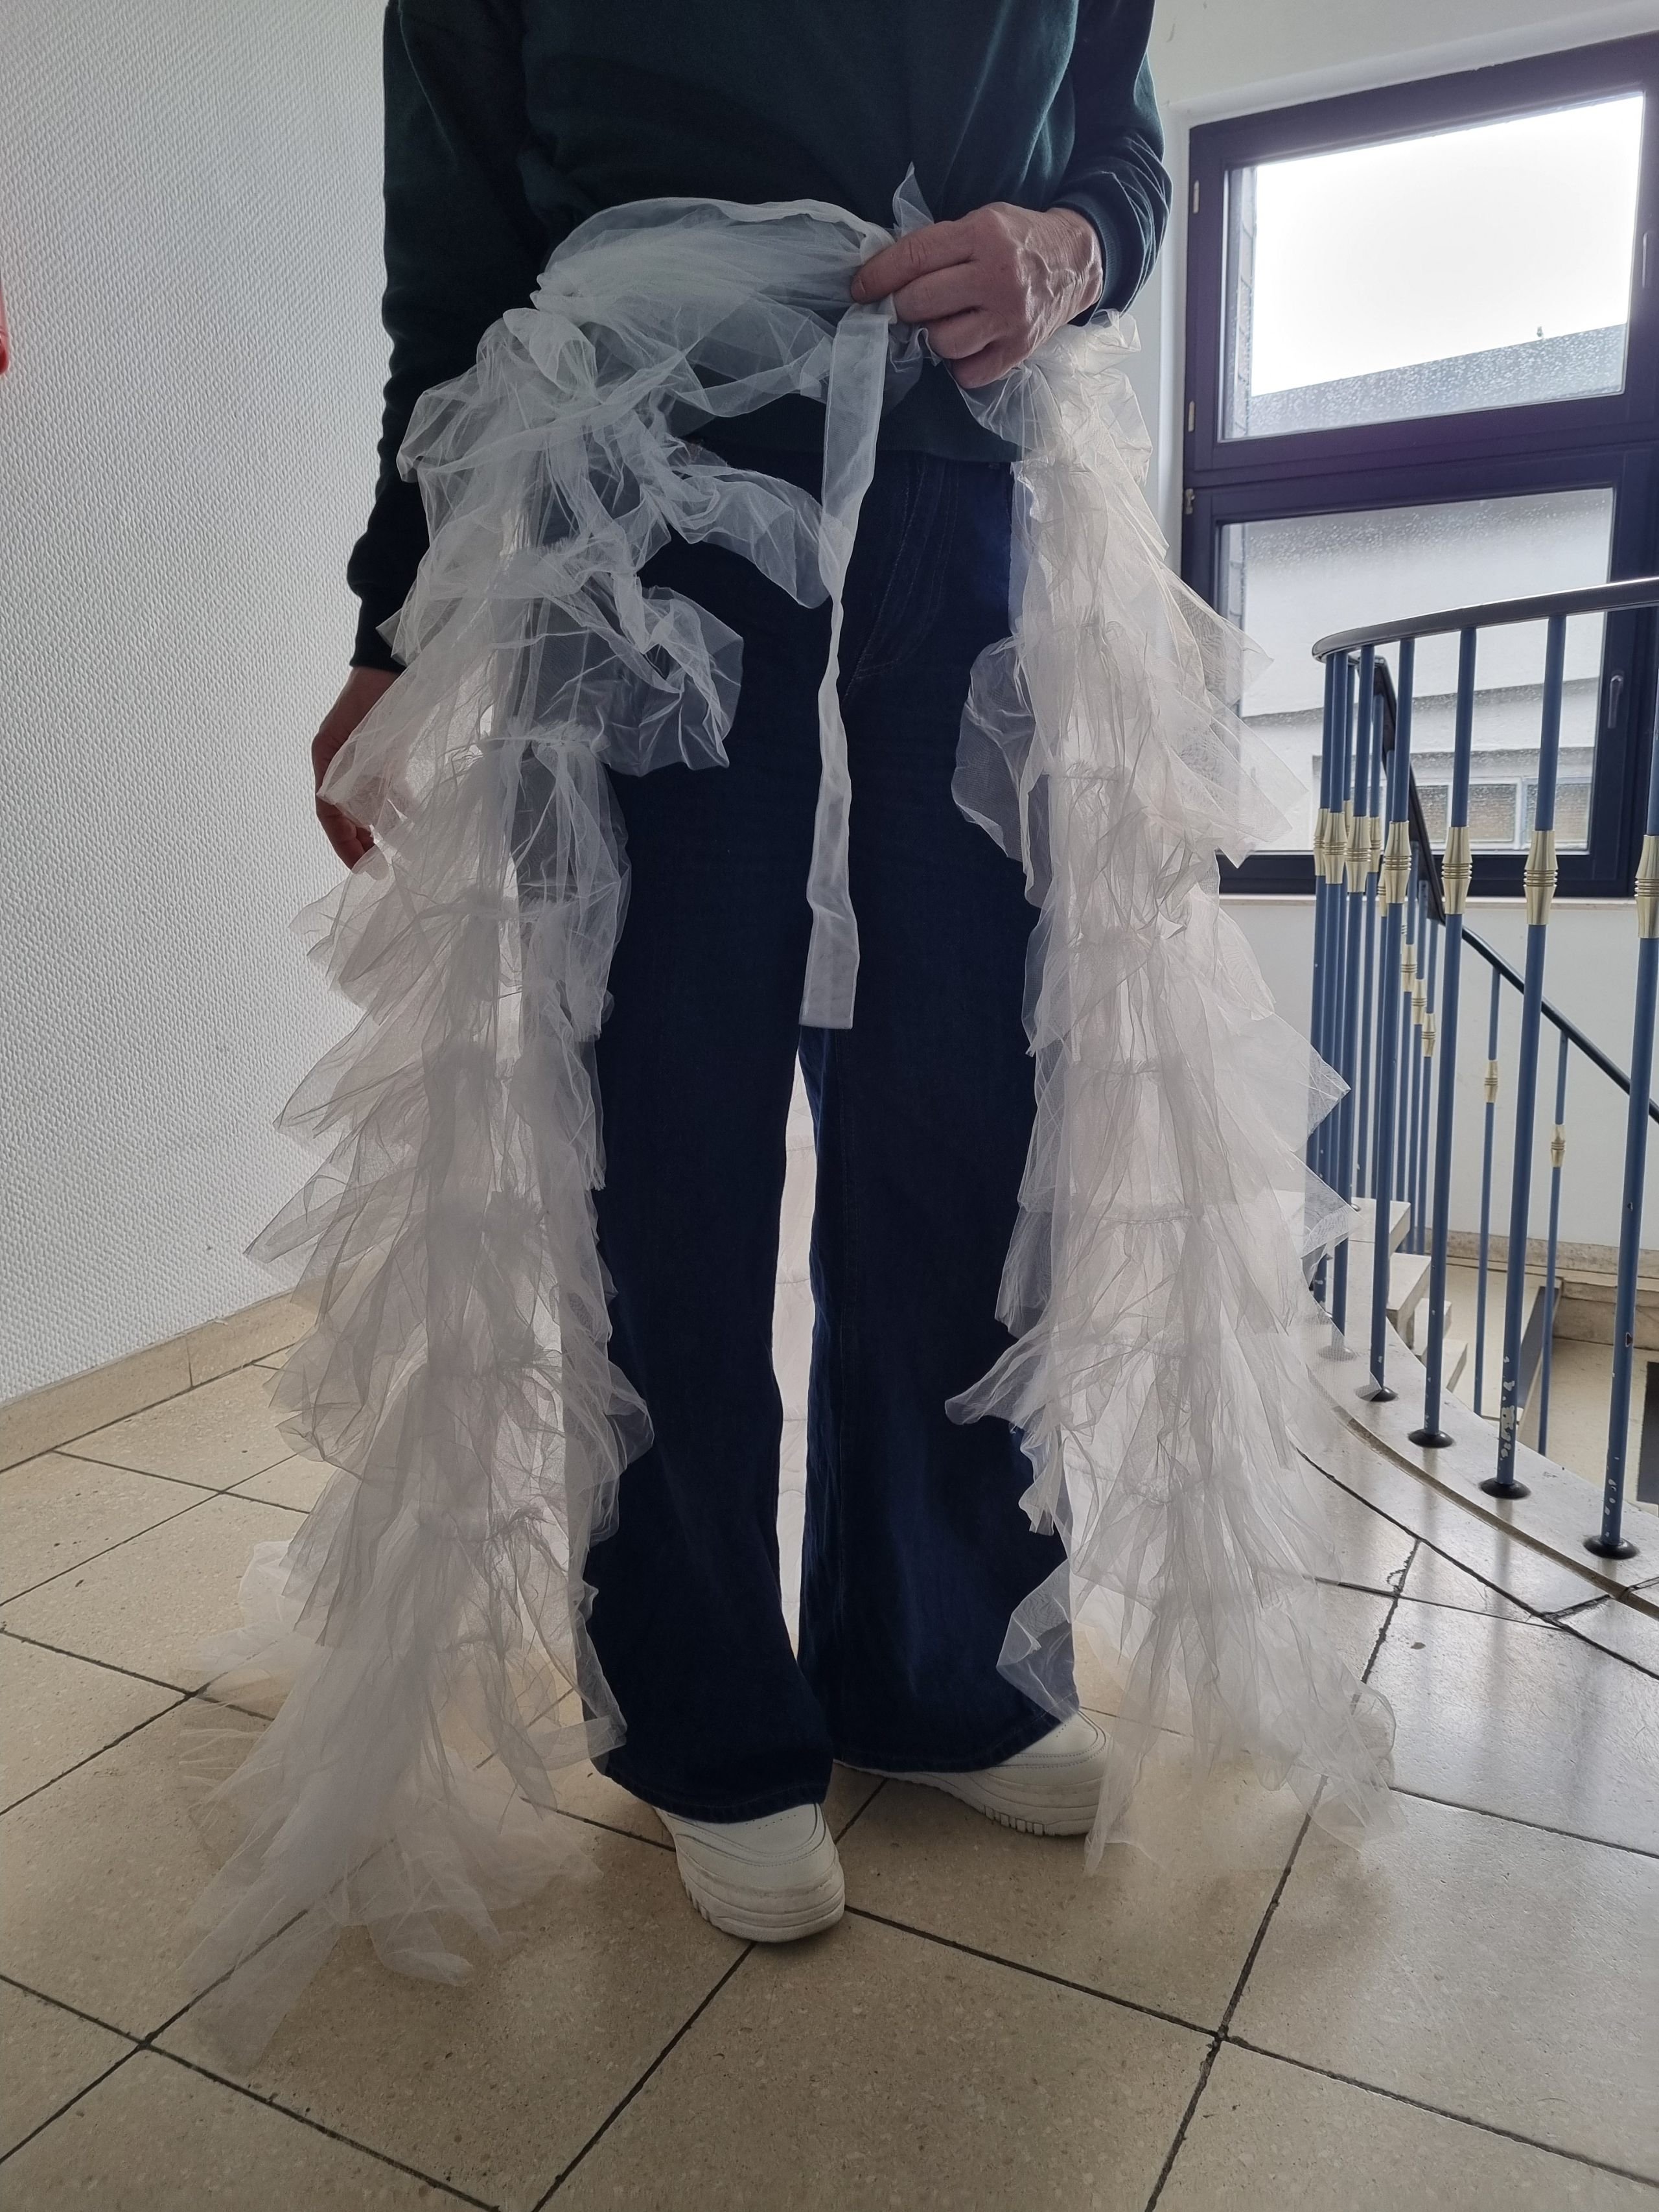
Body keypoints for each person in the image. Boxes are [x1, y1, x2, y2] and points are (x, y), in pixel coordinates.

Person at [303, 2, 1172, 1944]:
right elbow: (455, 261)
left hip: (963, 498)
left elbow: (1123, 135)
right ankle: (706, 1710)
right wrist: (391, 615)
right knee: (668, 1125)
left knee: (959, 1119)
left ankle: (938, 1664)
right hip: (643, 502)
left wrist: (1077, 243)